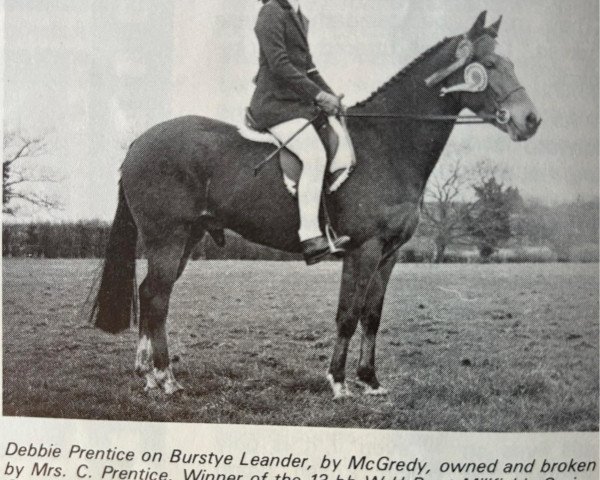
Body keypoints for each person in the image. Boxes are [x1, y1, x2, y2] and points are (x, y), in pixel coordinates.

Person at [249, 0, 351, 265]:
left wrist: (330, 96)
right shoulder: (271, 11)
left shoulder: (296, 15)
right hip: (274, 105)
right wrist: (318, 95)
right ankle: (309, 237)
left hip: (296, 106)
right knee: (314, 156)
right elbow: (280, 64)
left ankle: (329, 227)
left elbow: (310, 68)